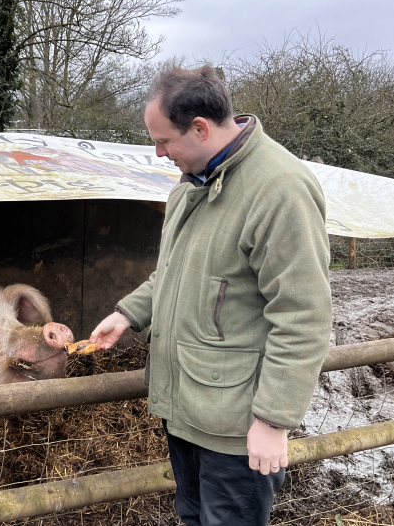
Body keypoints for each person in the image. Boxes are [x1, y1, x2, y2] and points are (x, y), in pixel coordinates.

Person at [89, 65, 333, 526]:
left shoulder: (279, 190)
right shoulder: (191, 186)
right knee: (193, 516)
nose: (158, 153)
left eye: (163, 141)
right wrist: (129, 313)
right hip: (187, 407)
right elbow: (175, 273)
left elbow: (304, 315)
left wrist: (273, 422)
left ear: (200, 128)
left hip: (237, 426)